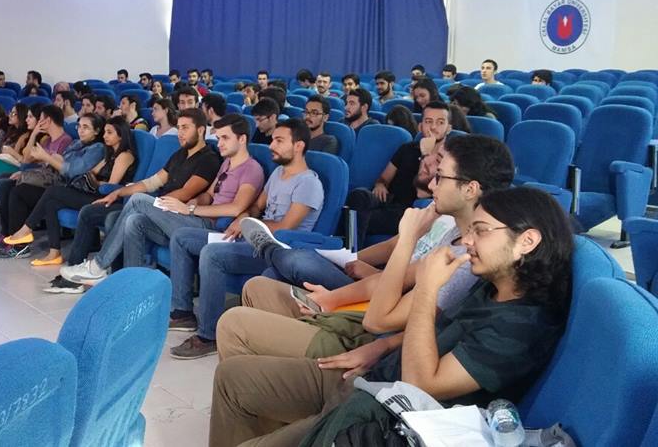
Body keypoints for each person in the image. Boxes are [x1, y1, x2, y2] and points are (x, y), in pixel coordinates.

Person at [209, 186, 571, 447]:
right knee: (232, 377)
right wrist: (383, 347)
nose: (468, 241)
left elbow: (422, 384)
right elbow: (439, 330)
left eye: (481, 231)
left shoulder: (520, 328)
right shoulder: (493, 284)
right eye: (470, 230)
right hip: (372, 375)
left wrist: (427, 287)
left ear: (527, 241)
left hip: (386, 414)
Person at [217, 134, 515, 364]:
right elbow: (397, 277)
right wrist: (334, 296)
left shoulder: (466, 258)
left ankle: (272, 254)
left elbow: (380, 321)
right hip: (366, 308)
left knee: (237, 322)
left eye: (441, 176)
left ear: (470, 189)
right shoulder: (452, 229)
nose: (432, 184)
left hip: (368, 335)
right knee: (259, 285)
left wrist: (407, 238)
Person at [168, 120, 325, 359]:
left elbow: (285, 228)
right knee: (182, 237)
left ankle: (209, 336)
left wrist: (248, 225)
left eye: (279, 141)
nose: (271, 145)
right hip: (250, 238)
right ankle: (183, 313)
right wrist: (243, 217)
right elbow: (256, 206)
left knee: (212, 254)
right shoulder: (278, 173)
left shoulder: (309, 183)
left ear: (299, 145)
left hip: (277, 250)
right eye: (272, 140)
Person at [54, 109, 221, 288]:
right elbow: (152, 182)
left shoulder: (208, 159)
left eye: (185, 128)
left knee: (139, 200)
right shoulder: (180, 154)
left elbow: (186, 193)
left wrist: (152, 204)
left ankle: (98, 266)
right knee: (132, 220)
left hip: (181, 218)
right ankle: (130, 284)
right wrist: (118, 193)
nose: (180, 133)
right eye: (179, 127)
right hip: (164, 212)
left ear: (201, 130)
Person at [1, 116, 138, 265]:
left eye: (109, 132)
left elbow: (111, 185)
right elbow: (92, 173)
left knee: (53, 191)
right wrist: (87, 177)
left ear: (121, 135)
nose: (104, 136)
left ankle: (26, 230)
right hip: (95, 192)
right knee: (51, 203)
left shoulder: (124, 156)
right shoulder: (110, 154)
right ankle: (54, 253)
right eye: (105, 132)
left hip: (108, 198)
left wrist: (94, 180)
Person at [0, 112, 106, 243]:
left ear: (97, 130)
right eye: (79, 126)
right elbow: (38, 163)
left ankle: (18, 241)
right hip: (50, 177)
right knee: (2, 183)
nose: (80, 130)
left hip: (63, 185)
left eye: (86, 127)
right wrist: (41, 161)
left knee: (16, 190)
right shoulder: (75, 143)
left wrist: (47, 158)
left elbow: (73, 170)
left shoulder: (96, 148)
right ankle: (6, 234)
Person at [347, 101, 451, 245]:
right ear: (420, 126)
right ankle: (350, 247)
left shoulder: (448, 157)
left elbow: (423, 192)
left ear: (449, 128)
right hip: (388, 200)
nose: (433, 127)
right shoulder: (407, 149)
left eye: (440, 122)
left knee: (354, 218)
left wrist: (425, 154)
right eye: (428, 121)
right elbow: (384, 177)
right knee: (358, 195)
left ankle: (350, 249)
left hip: (412, 209)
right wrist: (380, 184)